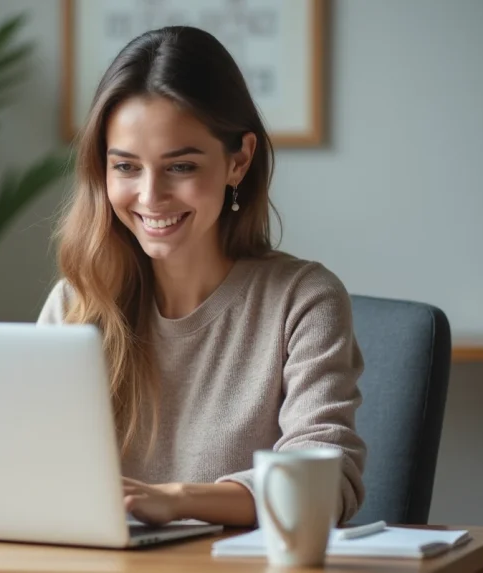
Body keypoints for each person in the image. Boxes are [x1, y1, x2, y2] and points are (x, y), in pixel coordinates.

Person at [37, 25, 366, 527]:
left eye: (180, 167)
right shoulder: (78, 304)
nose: (150, 196)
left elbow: (324, 481)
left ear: (239, 160)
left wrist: (174, 499)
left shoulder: (303, 301)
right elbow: (29, 467)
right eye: (126, 167)